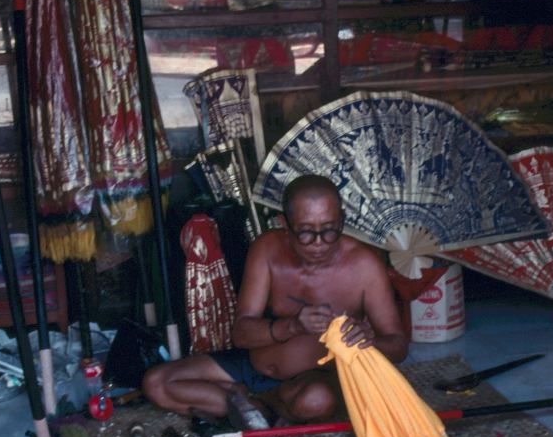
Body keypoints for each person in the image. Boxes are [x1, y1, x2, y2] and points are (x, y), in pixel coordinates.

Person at [143, 174, 408, 424]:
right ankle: (261, 407)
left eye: (329, 230)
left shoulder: (365, 266)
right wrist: (292, 326)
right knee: (157, 383)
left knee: (316, 401)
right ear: (284, 225)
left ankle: (250, 408)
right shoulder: (267, 249)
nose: (319, 243)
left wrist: (369, 341)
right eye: (305, 232)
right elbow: (241, 335)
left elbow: (398, 348)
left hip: (314, 382)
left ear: (342, 220)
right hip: (253, 369)